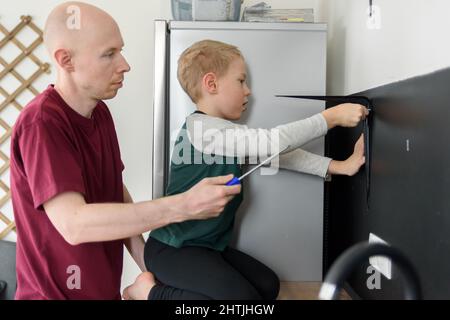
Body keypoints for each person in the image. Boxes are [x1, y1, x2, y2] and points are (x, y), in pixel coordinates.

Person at [10, 3, 241, 300]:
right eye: (109, 54)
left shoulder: (100, 113)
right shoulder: (42, 123)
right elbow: (75, 224)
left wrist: (151, 266)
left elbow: (114, 192)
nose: (124, 64)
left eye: (120, 50)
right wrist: (183, 205)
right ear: (65, 60)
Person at [123, 40, 369, 300]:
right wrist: (329, 119)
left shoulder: (224, 134)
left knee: (267, 286)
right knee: (244, 301)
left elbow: (275, 154)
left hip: (206, 247)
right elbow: (272, 141)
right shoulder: (203, 129)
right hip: (173, 248)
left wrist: (338, 166)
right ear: (211, 84)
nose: (248, 91)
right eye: (241, 81)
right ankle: (148, 292)